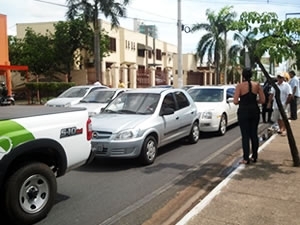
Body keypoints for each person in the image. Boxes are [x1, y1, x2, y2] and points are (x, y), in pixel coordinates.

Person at [233, 68, 265, 164]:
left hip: (243, 111)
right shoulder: (257, 85)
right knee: (254, 134)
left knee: (245, 136)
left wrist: (241, 102)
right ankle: (255, 156)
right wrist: (255, 101)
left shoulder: (240, 86)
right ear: (251, 75)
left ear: (243, 75)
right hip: (254, 111)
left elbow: (235, 101)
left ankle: (246, 158)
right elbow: (263, 100)